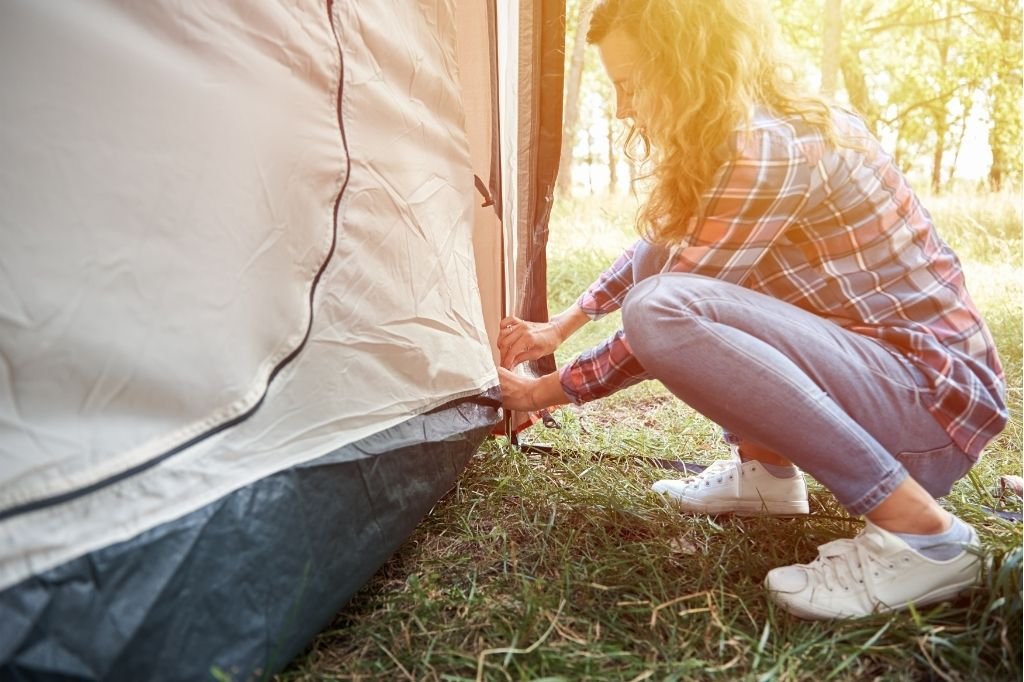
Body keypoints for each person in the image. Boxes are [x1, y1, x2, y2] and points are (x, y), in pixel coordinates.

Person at [496, 0, 1008, 620]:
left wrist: (538, 393)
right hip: (891, 383)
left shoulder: (768, 146)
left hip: (929, 410)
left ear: (687, 67)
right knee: (663, 257)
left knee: (660, 309)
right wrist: (563, 324)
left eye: (631, 85)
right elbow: (659, 246)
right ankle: (765, 476)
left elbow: (665, 314)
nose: (625, 108)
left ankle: (927, 538)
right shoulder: (752, 132)